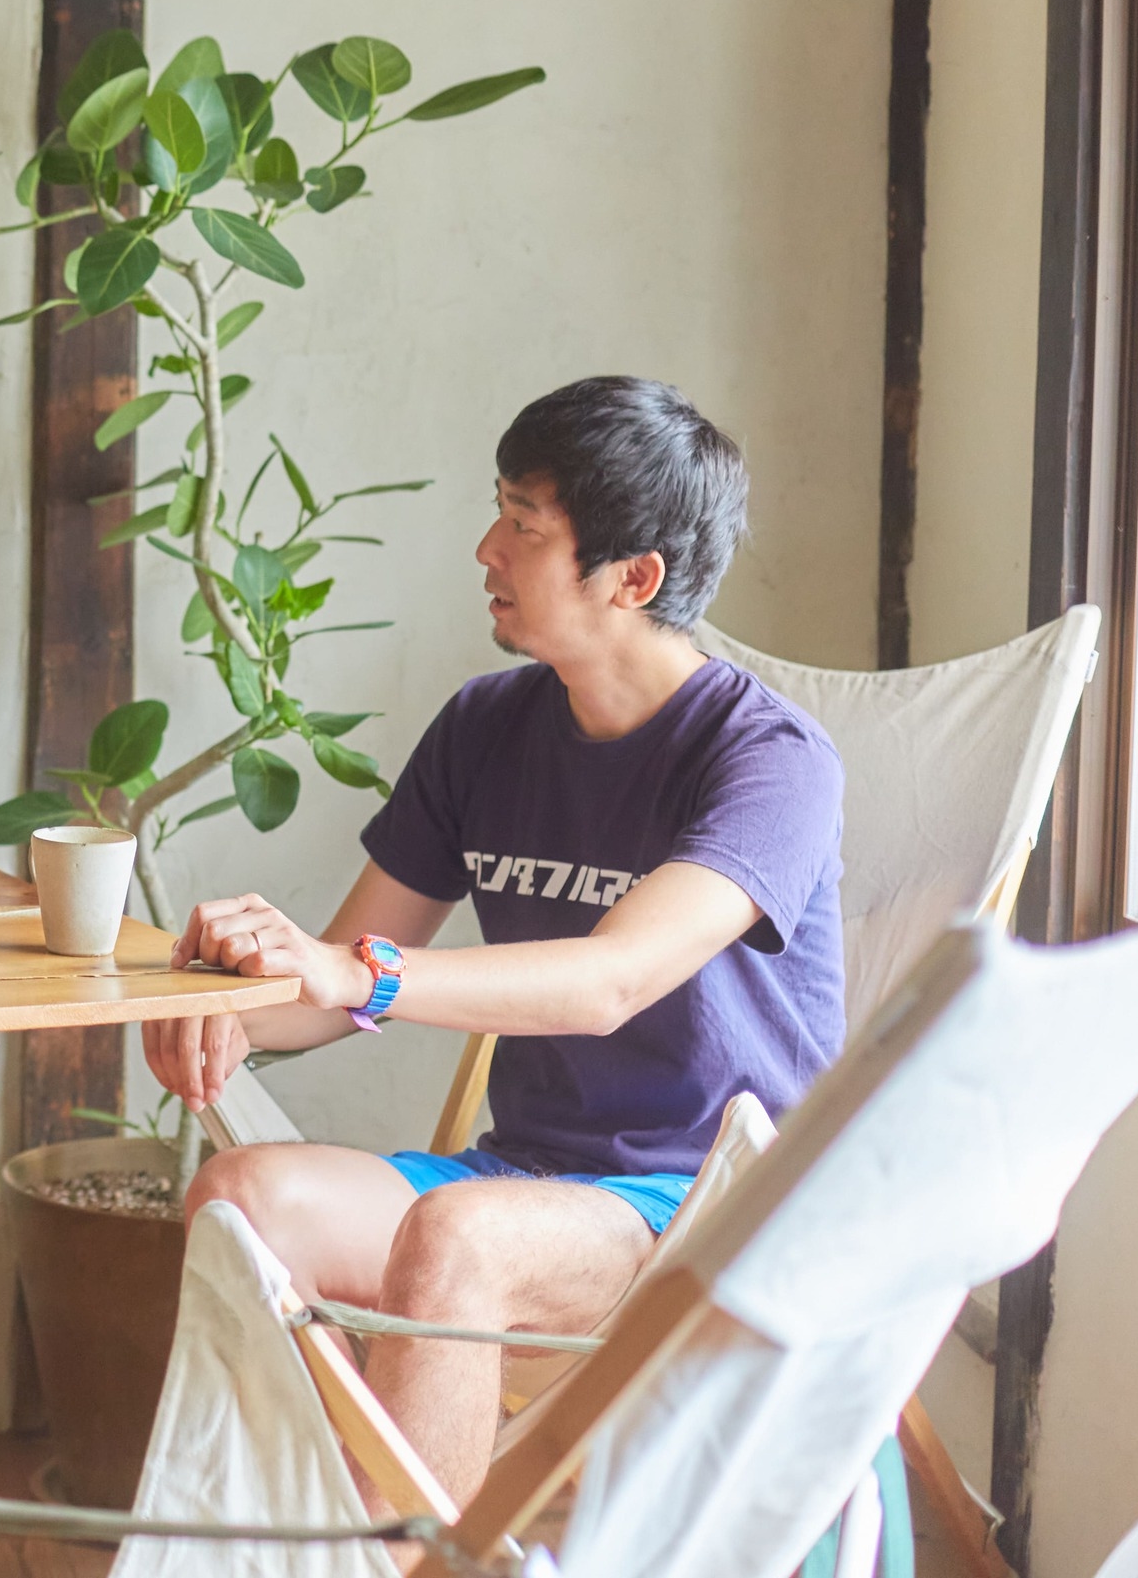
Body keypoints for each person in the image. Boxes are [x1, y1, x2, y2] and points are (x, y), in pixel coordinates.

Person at [142, 376, 845, 1505]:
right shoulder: (485, 725)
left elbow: (610, 980)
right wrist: (217, 1007)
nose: (484, 547)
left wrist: (351, 972)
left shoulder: (767, 758)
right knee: (242, 1198)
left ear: (632, 578)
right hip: (520, 1177)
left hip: (705, 1204)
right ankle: (368, 1522)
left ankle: (407, 1545)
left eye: (522, 526)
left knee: (457, 1239)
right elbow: (334, 985)